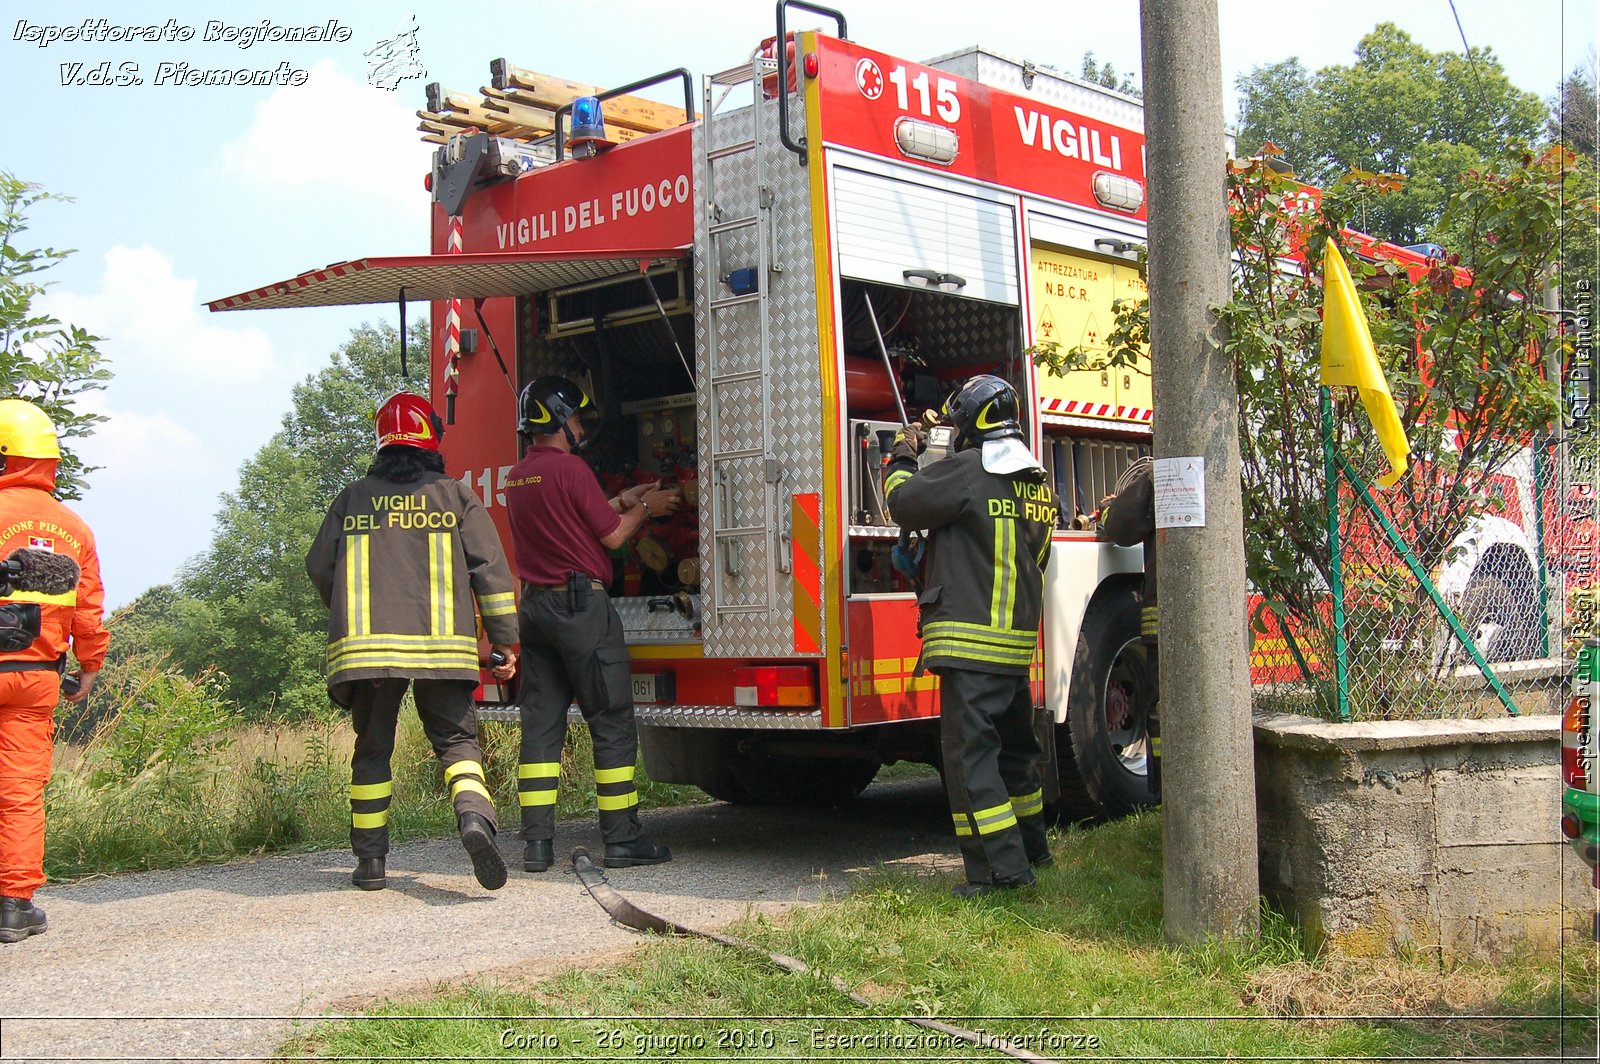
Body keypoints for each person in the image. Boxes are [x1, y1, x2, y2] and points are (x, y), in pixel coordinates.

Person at [306, 391, 519, 893]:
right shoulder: (456, 496)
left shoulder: (351, 499)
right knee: (456, 741)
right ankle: (473, 819)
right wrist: (505, 644)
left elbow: (319, 566)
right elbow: (490, 572)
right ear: (432, 440)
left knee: (373, 748)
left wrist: (349, 615)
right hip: (443, 649)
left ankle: (371, 863)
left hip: (367, 653)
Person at [883, 375, 1057, 898]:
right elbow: (1039, 557)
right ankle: (1033, 852)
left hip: (969, 646)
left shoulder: (966, 470)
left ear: (972, 424)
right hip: (1014, 647)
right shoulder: (1036, 482)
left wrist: (900, 457)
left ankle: (1002, 873)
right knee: (1016, 755)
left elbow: (904, 503)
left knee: (970, 759)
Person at [504, 376, 681, 873]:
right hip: (582, 610)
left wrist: (625, 498)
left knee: (540, 725)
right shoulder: (572, 468)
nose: (580, 426)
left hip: (535, 610)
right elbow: (612, 539)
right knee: (611, 721)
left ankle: (537, 844)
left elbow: (571, 518)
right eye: (577, 417)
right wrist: (646, 508)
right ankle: (622, 839)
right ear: (559, 419)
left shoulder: (518, 477)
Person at [0, 399, 107, 943]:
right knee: (19, 790)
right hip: (38, 674)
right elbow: (88, 609)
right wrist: (90, 666)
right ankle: (15, 905)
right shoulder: (73, 527)